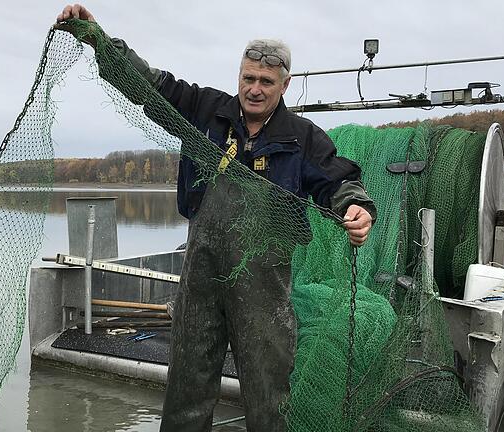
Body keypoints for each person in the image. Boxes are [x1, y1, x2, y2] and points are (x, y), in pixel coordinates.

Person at [57, 5, 376, 431]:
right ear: (238, 76)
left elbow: (338, 180)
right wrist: (99, 40)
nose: (255, 89)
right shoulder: (207, 111)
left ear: (285, 85)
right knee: (187, 385)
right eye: (248, 78)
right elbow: (150, 85)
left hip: (264, 288)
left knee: (268, 393)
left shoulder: (302, 138)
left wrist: (355, 208)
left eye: (266, 81)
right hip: (201, 275)